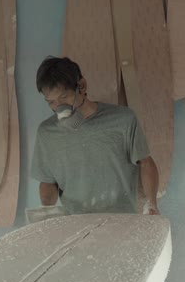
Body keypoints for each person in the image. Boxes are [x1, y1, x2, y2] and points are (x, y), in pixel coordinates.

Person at [31, 56, 160, 215]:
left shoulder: (123, 120)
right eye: (51, 102)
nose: (59, 107)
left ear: (82, 86)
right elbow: (48, 181)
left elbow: (146, 163)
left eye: (64, 97)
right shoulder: (47, 133)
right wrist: (46, 212)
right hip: (77, 225)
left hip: (123, 220)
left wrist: (152, 205)